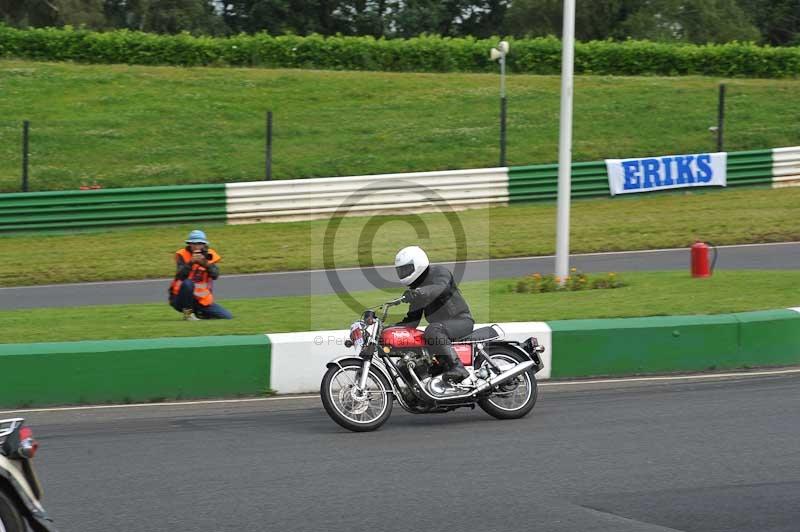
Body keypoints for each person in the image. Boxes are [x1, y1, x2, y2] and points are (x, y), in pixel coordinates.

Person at [394, 245, 474, 385]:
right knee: (415, 340)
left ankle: (458, 368)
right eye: (401, 270)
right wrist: (388, 329)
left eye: (407, 269)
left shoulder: (439, 272)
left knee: (432, 330)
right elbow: (412, 322)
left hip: (460, 320)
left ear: (417, 263)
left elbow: (440, 288)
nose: (404, 272)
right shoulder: (416, 288)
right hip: (441, 328)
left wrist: (419, 292)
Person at [168, 229, 233, 320]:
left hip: (201, 299)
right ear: (189, 244)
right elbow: (180, 276)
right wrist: (191, 263)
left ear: (204, 244)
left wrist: (205, 264)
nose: (196, 246)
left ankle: (199, 313)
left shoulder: (209, 255)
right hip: (180, 298)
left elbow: (215, 275)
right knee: (187, 283)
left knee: (227, 316)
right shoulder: (182, 255)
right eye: (194, 243)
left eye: (200, 243)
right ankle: (188, 314)